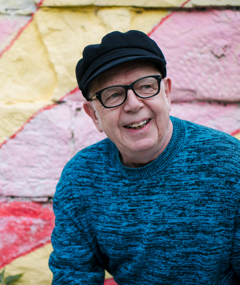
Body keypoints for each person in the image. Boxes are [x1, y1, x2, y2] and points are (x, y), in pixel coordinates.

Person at [49, 30, 240, 284]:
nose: (133, 104)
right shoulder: (80, 179)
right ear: (94, 115)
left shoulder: (228, 163)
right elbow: (73, 274)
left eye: (146, 86)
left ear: (167, 93)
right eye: (114, 94)